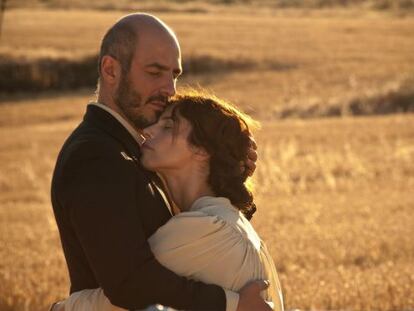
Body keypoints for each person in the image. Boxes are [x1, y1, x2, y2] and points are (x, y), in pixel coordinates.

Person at [50, 13, 270, 311]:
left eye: (174, 75)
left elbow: (193, 244)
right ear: (111, 70)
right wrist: (233, 304)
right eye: (155, 73)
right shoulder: (97, 156)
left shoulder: (138, 152)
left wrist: (227, 173)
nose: (169, 89)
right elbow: (130, 282)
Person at [55, 92, 284, 311]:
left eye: (167, 127)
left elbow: (123, 297)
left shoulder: (203, 230)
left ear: (202, 150)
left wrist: (62, 308)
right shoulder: (229, 225)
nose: (147, 131)